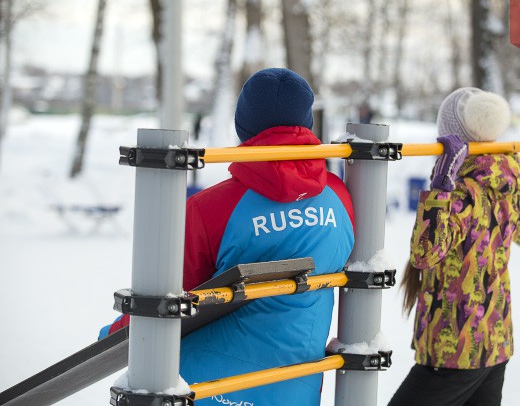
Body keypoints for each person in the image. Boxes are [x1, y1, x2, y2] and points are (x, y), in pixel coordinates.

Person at [102, 68, 355, 405]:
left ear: (243, 127)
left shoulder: (211, 208)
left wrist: (114, 335)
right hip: (295, 387)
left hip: (207, 387)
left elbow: (165, 298)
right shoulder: (342, 198)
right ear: (307, 124)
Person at [388, 87, 520, 406]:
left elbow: (425, 254)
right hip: (495, 343)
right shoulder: (509, 178)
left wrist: (441, 188)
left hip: (456, 348)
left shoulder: (464, 191)